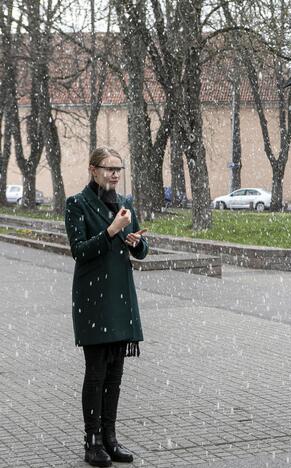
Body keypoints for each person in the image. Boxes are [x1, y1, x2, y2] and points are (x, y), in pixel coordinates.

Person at [65, 147, 148, 467]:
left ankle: (111, 439)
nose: (114, 174)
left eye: (119, 168)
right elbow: (79, 250)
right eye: (108, 168)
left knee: (115, 374)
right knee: (96, 372)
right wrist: (111, 231)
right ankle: (93, 442)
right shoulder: (77, 204)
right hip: (93, 298)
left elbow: (141, 248)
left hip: (121, 296)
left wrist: (136, 242)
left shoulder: (125, 204)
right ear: (93, 169)